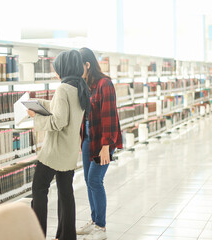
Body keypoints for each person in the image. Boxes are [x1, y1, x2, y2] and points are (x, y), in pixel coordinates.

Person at [27, 50, 90, 240]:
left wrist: (35, 116)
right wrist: (39, 103)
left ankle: (38, 235)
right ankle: (66, 236)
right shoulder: (79, 86)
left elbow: (58, 121)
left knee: (39, 189)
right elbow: (62, 108)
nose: (55, 72)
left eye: (56, 68)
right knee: (65, 193)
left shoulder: (63, 88)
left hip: (55, 152)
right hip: (70, 151)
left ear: (63, 68)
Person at [77, 47, 123, 240]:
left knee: (96, 180)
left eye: (79, 67)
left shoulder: (105, 84)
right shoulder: (86, 85)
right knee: (88, 181)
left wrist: (106, 146)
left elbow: (109, 117)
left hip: (102, 141)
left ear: (87, 65)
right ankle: (94, 220)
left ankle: (101, 227)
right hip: (88, 138)